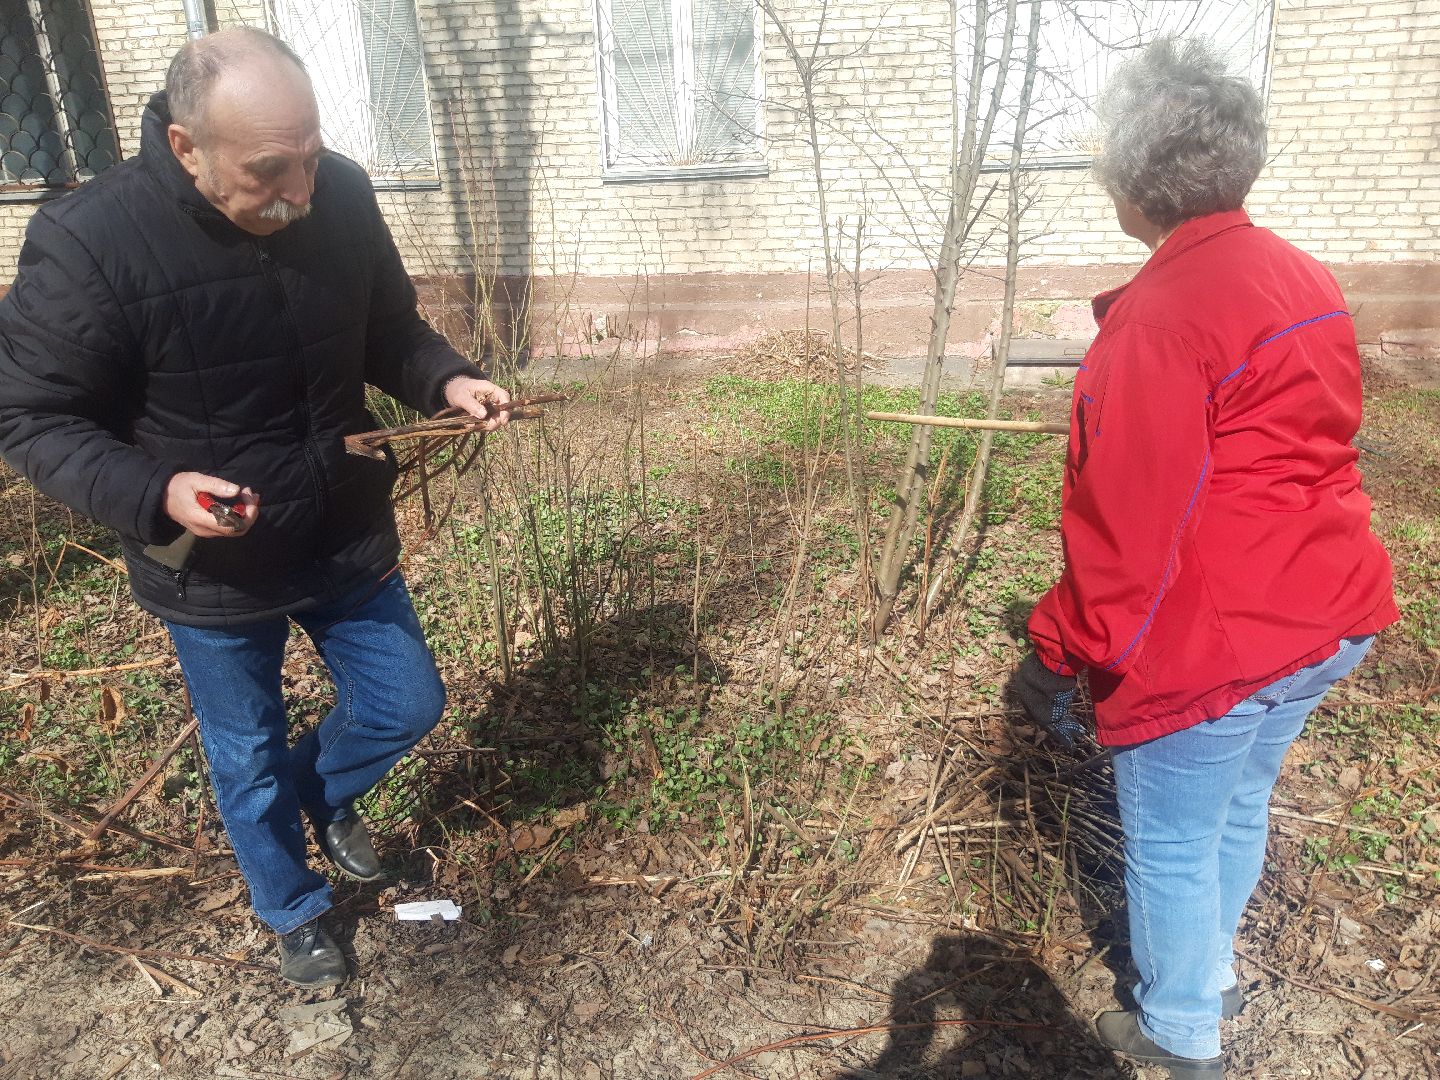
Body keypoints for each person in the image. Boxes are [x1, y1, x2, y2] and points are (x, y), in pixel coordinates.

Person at [0, 28, 511, 987]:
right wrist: (157, 493)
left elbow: (389, 328)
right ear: (186, 146)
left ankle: (320, 794)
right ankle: (293, 907)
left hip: (339, 524)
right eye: (269, 170)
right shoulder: (89, 239)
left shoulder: (340, 193)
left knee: (406, 701)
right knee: (245, 751)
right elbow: (30, 415)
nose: (301, 191)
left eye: (310, 157)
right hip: (211, 565)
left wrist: (446, 377)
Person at [1006, 38, 1397, 1080]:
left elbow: (1126, 536)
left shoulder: (1160, 319)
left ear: (1135, 179)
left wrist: (1056, 653)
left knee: (1175, 841)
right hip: (1328, 612)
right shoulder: (1298, 272)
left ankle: (1181, 1034)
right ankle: (1210, 974)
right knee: (1237, 805)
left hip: (1224, 641)